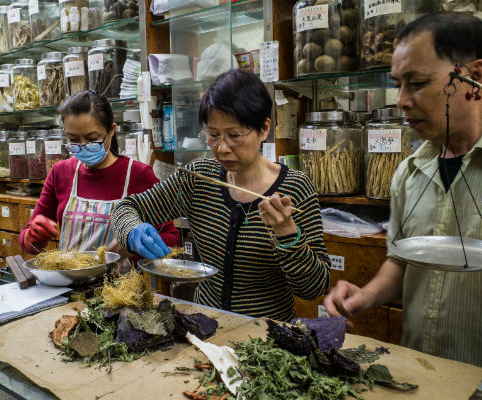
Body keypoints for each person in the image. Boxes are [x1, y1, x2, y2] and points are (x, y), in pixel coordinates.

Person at [323, 13, 482, 384]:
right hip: (419, 376)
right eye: (398, 85)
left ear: (475, 78)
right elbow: (402, 261)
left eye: (417, 83)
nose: (402, 101)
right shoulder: (409, 172)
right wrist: (366, 295)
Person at [111, 69, 330, 321]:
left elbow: (314, 288)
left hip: (266, 336)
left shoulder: (295, 188)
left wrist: (288, 237)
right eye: (213, 135)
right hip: (206, 326)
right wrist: (131, 230)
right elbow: (125, 208)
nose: (222, 148)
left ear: (264, 129)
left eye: (234, 136)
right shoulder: (199, 177)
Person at [19, 90, 180, 262]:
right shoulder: (60, 172)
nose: (82, 146)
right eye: (73, 139)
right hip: (70, 285)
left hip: (120, 287)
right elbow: (27, 243)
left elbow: (173, 239)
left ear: (111, 130)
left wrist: (136, 241)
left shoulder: (138, 175)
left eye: (91, 138)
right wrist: (33, 236)